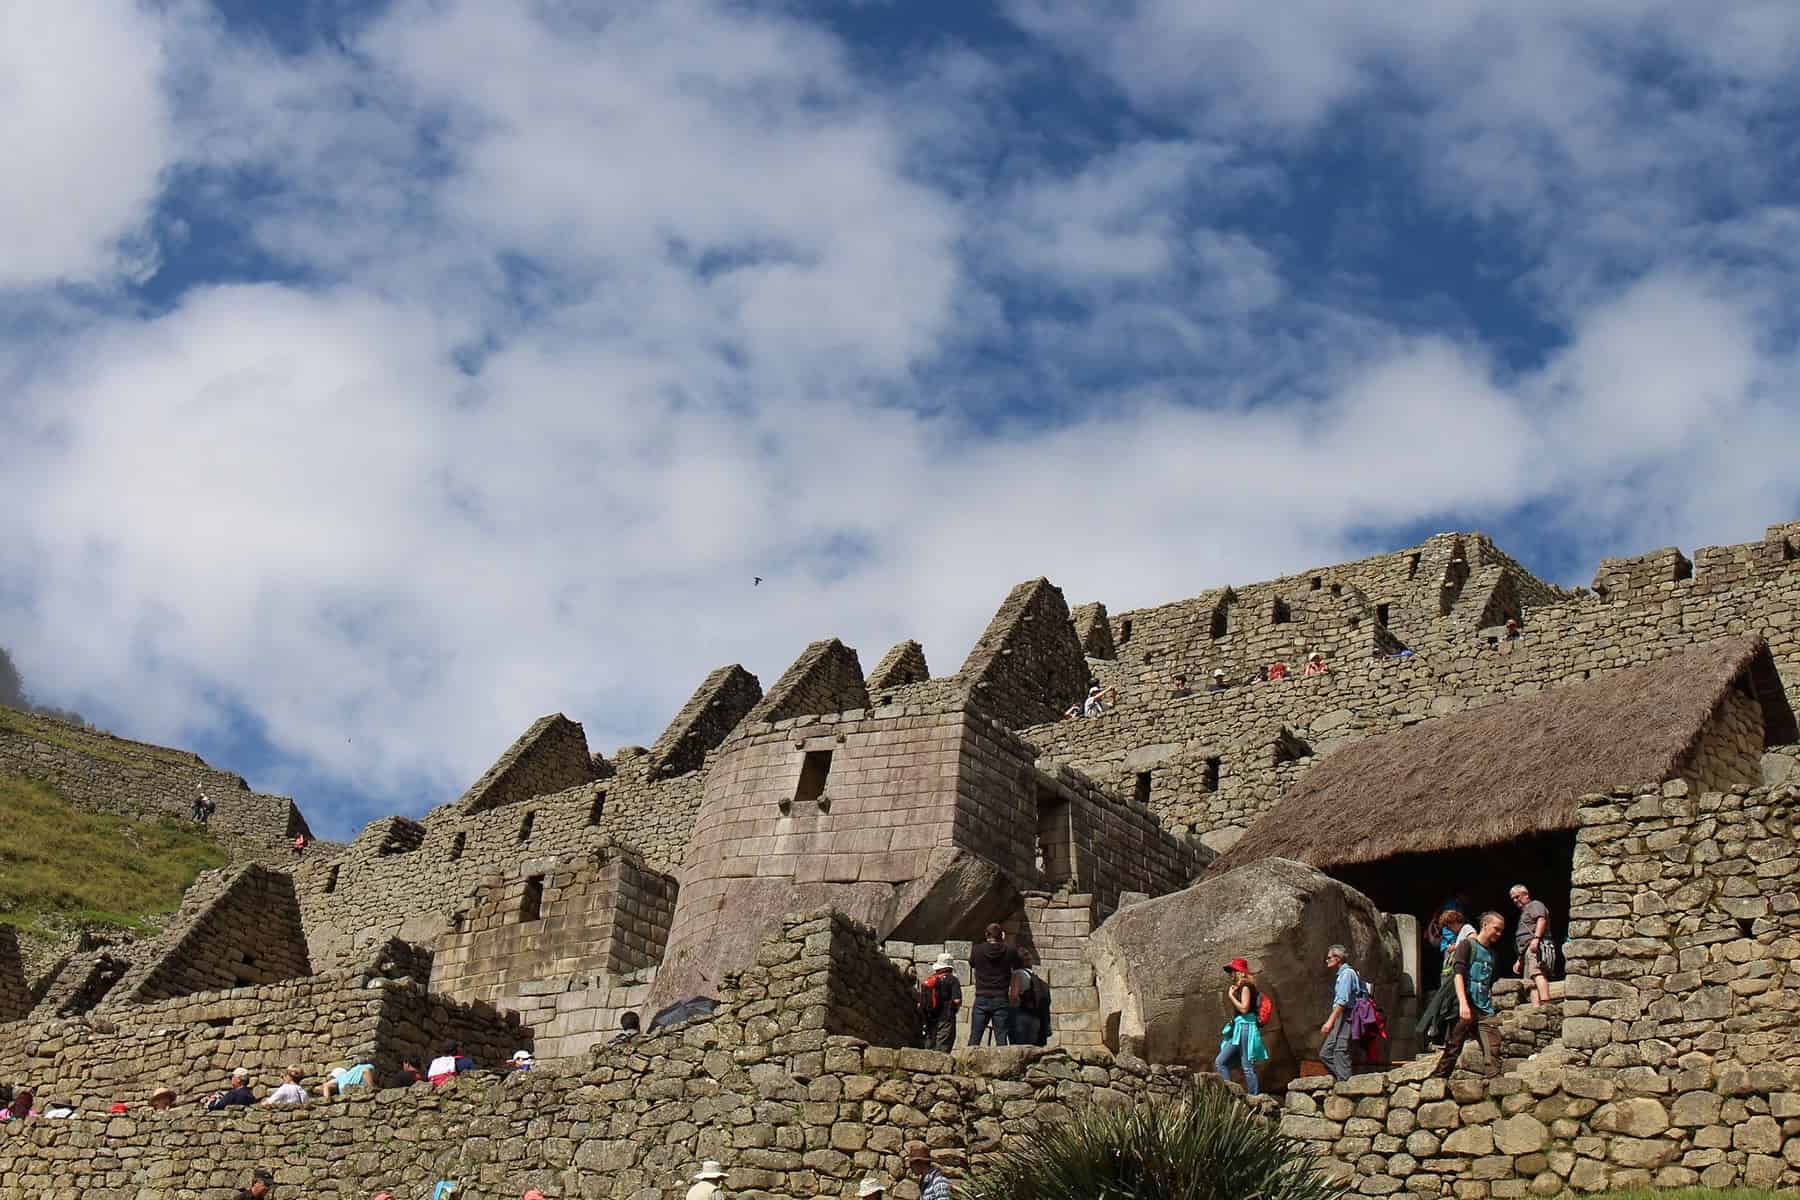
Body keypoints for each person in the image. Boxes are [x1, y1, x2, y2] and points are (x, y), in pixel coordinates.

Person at [1432, 911, 1506, 1080]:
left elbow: (1487, 982)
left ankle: (1494, 1087)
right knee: (1453, 1047)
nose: (1499, 934)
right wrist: (1464, 1004)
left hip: (1484, 1009)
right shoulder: (1467, 945)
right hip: (1466, 1005)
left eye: (1501, 930)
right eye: (1496, 929)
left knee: (1493, 1048)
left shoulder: (1493, 955)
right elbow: (1458, 975)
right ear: (1485, 925)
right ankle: (1437, 1083)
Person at [1416, 905, 1475, 1048]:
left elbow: (1473, 940)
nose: (1448, 930)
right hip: (1451, 972)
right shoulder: (1459, 933)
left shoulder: (1466, 928)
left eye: (1448, 926)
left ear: (1452, 922)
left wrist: (1457, 947)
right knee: (1447, 1006)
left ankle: (1438, 1033)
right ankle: (1445, 1037)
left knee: (1446, 1003)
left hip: (1459, 974)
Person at [1214, 957, 1269, 1095]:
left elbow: (1244, 1009)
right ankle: (1230, 1095)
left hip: (1245, 1027)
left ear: (1239, 972)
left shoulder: (1246, 986)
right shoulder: (1241, 987)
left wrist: (1231, 996)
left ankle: (1254, 1098)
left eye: (1232, 971)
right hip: (1240, 1028)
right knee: (1221, 1062)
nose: (1230, 974)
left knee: (1247, 1066)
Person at [968, 924, 1021, 1046]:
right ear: (1002, 935)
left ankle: (968, 1063)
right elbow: (1018, 967)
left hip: (981, 996)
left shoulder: (977, 949)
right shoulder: (1010, 950)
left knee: (975, 1037)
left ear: (986, 935)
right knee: (1001, 1038)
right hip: (1001, 997)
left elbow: (972, 963)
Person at [1319, 945, 1360, 1082]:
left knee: (1340, 1050)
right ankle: (1345, 1080)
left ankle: (1347, 1085)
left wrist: (1330, 1021)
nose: (1327, 960)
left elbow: (1342, 1001)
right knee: (1326, 1053)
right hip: (1341, 1016)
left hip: (1347, 1015)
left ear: (1338, 958)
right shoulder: (1342, 974)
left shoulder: (1347, 974)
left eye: (1329, 957)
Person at [1511, 885, 1553, 1005]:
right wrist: (1520, 959)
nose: (1515, 900)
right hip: (1526, 950)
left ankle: (1545, 1003)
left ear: (1526, 894)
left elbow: (1541, 919)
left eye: (1517, 897)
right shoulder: (1524, 912)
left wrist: (1537, 938)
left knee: (1537, 972)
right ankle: (1536, 1008)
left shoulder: (1535, 905)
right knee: (1529, 981)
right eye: (1513, 898)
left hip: (1535, 946)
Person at [918, 953, 962, 1051]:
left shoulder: (930, 979)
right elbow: (957, 1000)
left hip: (930, 1017)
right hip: (946, 1017)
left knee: (929, 1045)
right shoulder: (952, 980)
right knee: (943, 1047)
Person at [1008, 948, 1049, 1047]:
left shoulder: (1018, 974)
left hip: (1021, 1017)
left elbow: (1014, 997)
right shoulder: (1033, 976)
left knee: (1019, 1050)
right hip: (1035, 1017)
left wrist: (1008, 1011)